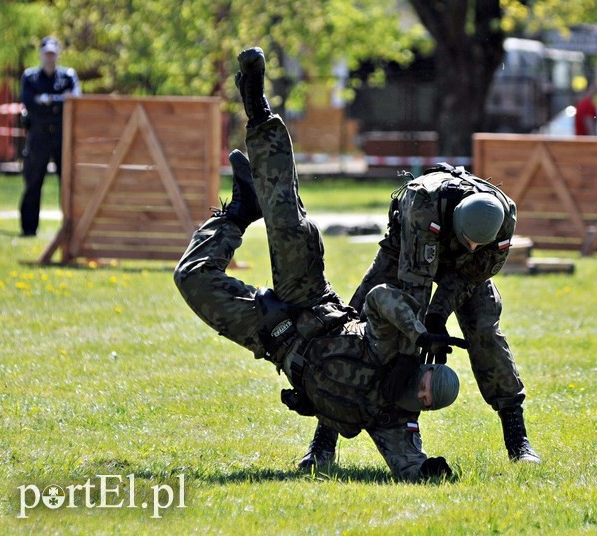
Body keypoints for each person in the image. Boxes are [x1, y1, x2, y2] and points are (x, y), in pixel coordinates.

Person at [174, 46, 466, 481]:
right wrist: (419, 328)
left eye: (427, 400)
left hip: (277, 338)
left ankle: (237, 214)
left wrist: (428, 472)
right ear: (426, 369)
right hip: (311, 304)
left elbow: (409, 464)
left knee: (191, 278)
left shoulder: (392, 421)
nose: (421, 395)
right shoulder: (396, 348)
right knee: (289, 225)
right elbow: (383, 298)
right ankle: (259, 113)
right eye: (427, 385)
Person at [299, 159, 540, 469]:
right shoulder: (423, 205)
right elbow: (415, 287)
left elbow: (472, 275)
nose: (473, 245)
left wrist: (439, 315)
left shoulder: (503, 220)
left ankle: (517, 440)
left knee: (485, 332)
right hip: (405, 253)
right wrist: (419, 336)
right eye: (468, 240)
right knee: (356, 329)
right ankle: (323, 442)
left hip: (463, 272)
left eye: (480, 243)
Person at [19, 36, 81, 236]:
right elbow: (29, 103)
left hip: (63, 138)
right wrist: (58, 102)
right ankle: (29, 228)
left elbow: (75, 100)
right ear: (41, 54)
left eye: (53, 54)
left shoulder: (68, 76)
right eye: (47, 54)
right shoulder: (30, 77)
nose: (50, 57)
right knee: (33, 182)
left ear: (58, 55)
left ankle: (71, 228)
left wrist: (47, 101)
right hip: (38, 137)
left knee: (69, 184)